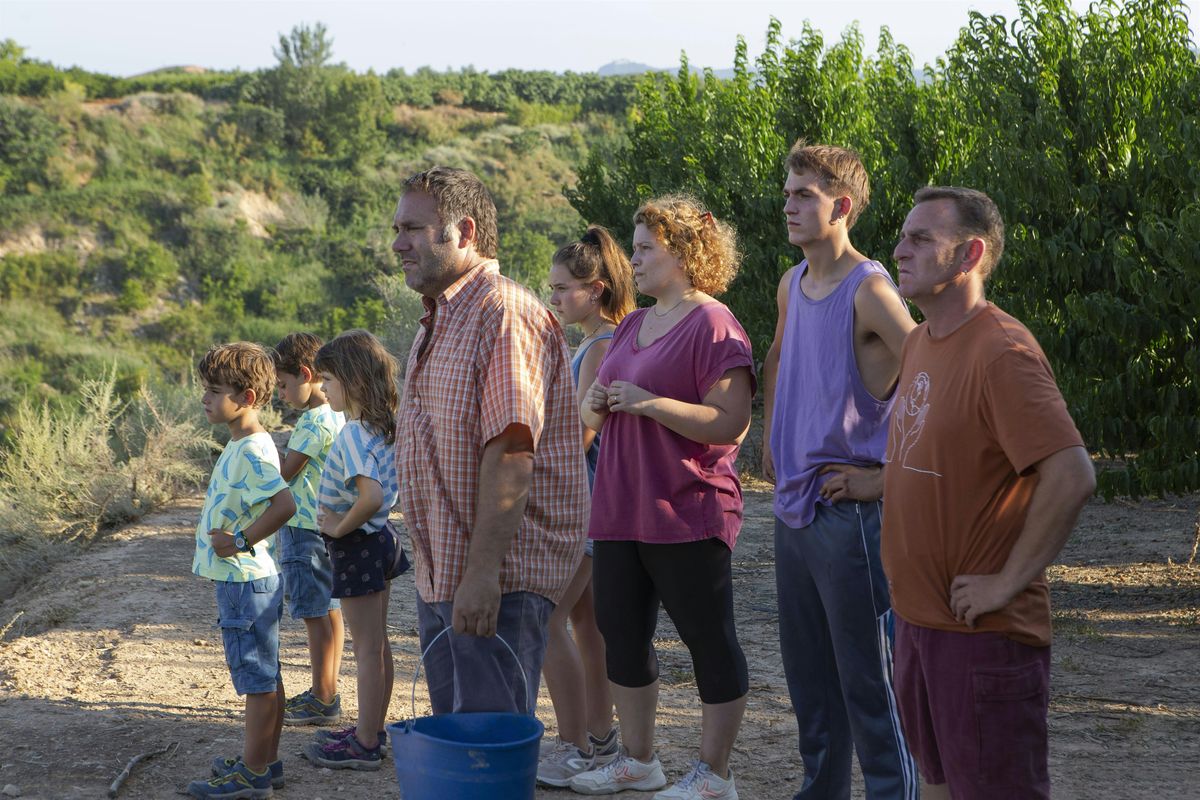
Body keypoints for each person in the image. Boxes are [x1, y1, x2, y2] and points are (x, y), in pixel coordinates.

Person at [883, 186, 1095, 799]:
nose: (900, 249)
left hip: (984, 641)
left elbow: (1071, 473)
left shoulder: (1002, 351)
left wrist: (1006, 582)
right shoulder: (921, 340)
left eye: (921, 239)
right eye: (903, 235)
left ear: (970, 254)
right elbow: (934, 455)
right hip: (918, 626)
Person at [571, 196, 754, 800]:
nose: (636, 259)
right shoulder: (630, 324)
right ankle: (639, 761)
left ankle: (714, 775)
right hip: (620, 508)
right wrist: (596, 402)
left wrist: (646, 402)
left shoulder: (714, 323)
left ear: (682, 251)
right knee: (621, 634)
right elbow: (592, 406)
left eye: (646, 247)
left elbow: (729, 422)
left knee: (708, 639)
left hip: (687, 509)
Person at [392, 166, 588, 716]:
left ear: (466, 231)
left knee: (488, 744)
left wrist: (481, 577)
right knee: (461, 749)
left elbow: (511, 452)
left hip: (495, 581)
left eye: (413, 228)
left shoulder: (504, 314)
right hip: (444, 577)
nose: (397, 243)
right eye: (398, 229)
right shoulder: (438, 320)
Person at [761, 142, 918, 800]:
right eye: (789, 192)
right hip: (794, 511)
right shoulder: (791, 283)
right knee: (812, 687)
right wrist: (772, 437)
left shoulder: (871, 290)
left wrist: (884, 479)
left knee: (870, 688)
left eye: (805, 196)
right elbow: (774, 356)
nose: (790, 205)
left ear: (843, 207)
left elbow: (935, 382)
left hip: (850, 515)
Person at [537, 226, 634, 786]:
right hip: (596, 506)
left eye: (561, 289)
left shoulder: (600, 345)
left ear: (595, 289)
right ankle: (598, 738)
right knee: (586, 626)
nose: (552, 298)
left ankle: (576, 742)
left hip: (584, 507)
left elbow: (581, 435)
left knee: (545, 620)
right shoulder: (601, 340)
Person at [187, 342, 296, 799]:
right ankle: (265, 763)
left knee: (256, 678)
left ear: (248, 397)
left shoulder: (252, 450)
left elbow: (284, 505)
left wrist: (240, 541)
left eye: (215, 391)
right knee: (266, 674)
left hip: (244, 582)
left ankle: (252, 775)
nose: (205, 399)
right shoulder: (243, 442)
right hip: (248, 581)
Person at [301, 329, 402, 771]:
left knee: (366, 649)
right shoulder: (380, 425)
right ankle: (372, 729)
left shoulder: (353, 434)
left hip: (358, 544)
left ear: (352, 380)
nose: (322, 389)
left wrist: (338, 528)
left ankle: (363, 743)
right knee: (377, 646)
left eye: (327, 379)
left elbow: (371, 497)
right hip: (379, 542)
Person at [270, 332, 347, 728]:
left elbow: (284, 475)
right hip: (327, 525)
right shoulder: (337, 412)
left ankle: (322, 696)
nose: (281, 394)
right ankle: (327, 691)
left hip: (303, 529)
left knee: (315, 615)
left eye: (283, 385)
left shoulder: (312, 422)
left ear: (305, 374)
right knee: (330, 612)